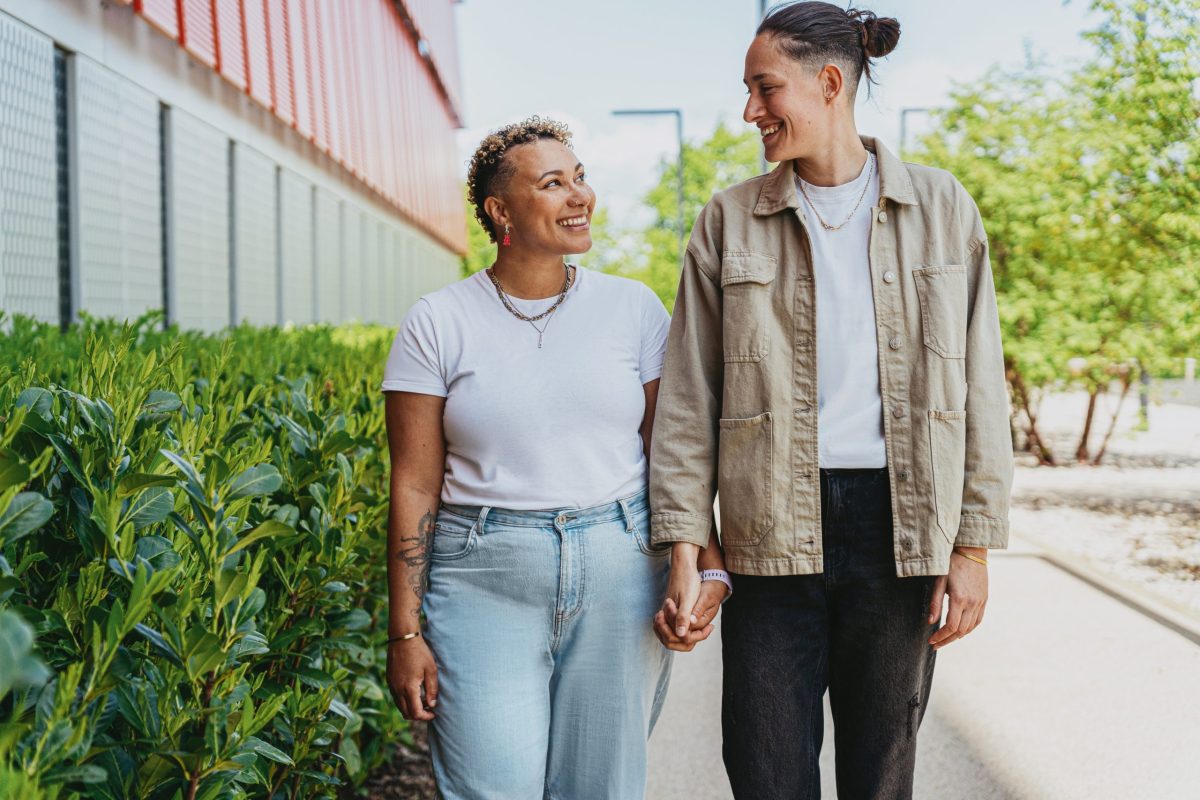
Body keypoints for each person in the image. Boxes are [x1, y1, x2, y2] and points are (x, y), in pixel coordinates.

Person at [649, 3, 1013, 798]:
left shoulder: (944, 210)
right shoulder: (727, 222)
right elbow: (687, 397)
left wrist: (973, 546)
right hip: (767, 527)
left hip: (900, 528)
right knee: (765, 768)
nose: (750, 111)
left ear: (830, 82)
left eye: (763, 88)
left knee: (880, 774)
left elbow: (982, 383)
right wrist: (685, 542)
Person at [380, 117, 723, 799]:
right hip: (483, 576)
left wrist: (706, 560)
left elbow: (671, 454)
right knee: (490, 787)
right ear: (499, 211)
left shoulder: (633, 309)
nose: (580, 196)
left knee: (600, 787)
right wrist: (403, 631)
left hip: (622, 567)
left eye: (581, 177)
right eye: (553, 183)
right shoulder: (438, 320)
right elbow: (414, 483)